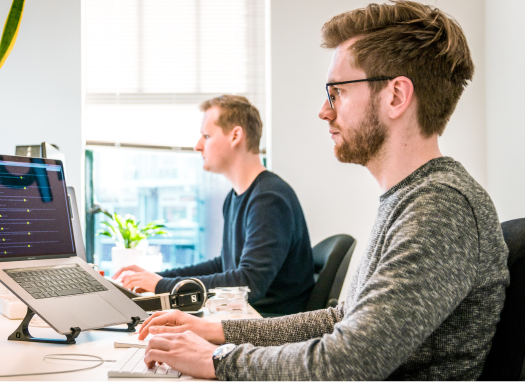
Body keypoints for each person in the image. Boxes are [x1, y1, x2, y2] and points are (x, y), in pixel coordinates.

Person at [134, 1, 510, 380]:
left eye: (337, 92)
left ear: (396, 96)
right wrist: (217, 331)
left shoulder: (440, 207)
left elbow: (347, 362)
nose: (324, 111)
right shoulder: (411, 198)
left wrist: (216, 361)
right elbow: (342, 319)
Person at [113, 95, 315, 315]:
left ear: (235, 136)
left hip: (268, 326)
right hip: (245, 317)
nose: (197, 146)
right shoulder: (236, 197)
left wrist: (161, 286)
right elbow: (225, 265)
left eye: (207, 136)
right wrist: (159, 278)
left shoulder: (269, 199)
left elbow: (248, 284)